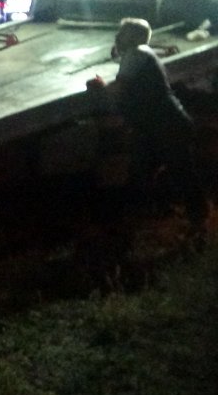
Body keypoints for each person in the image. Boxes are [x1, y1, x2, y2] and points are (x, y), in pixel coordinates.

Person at [87, 17, 210, 252]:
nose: (117, 37)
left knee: (178, 172)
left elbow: (119, 89)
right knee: (144, 171)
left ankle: (198, 222)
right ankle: (154, 220)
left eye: (121, 33)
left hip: (165, 126)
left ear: (133, 37)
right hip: (159, 126)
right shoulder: (140, 54)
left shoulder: (136, 54)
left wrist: (99, 89)